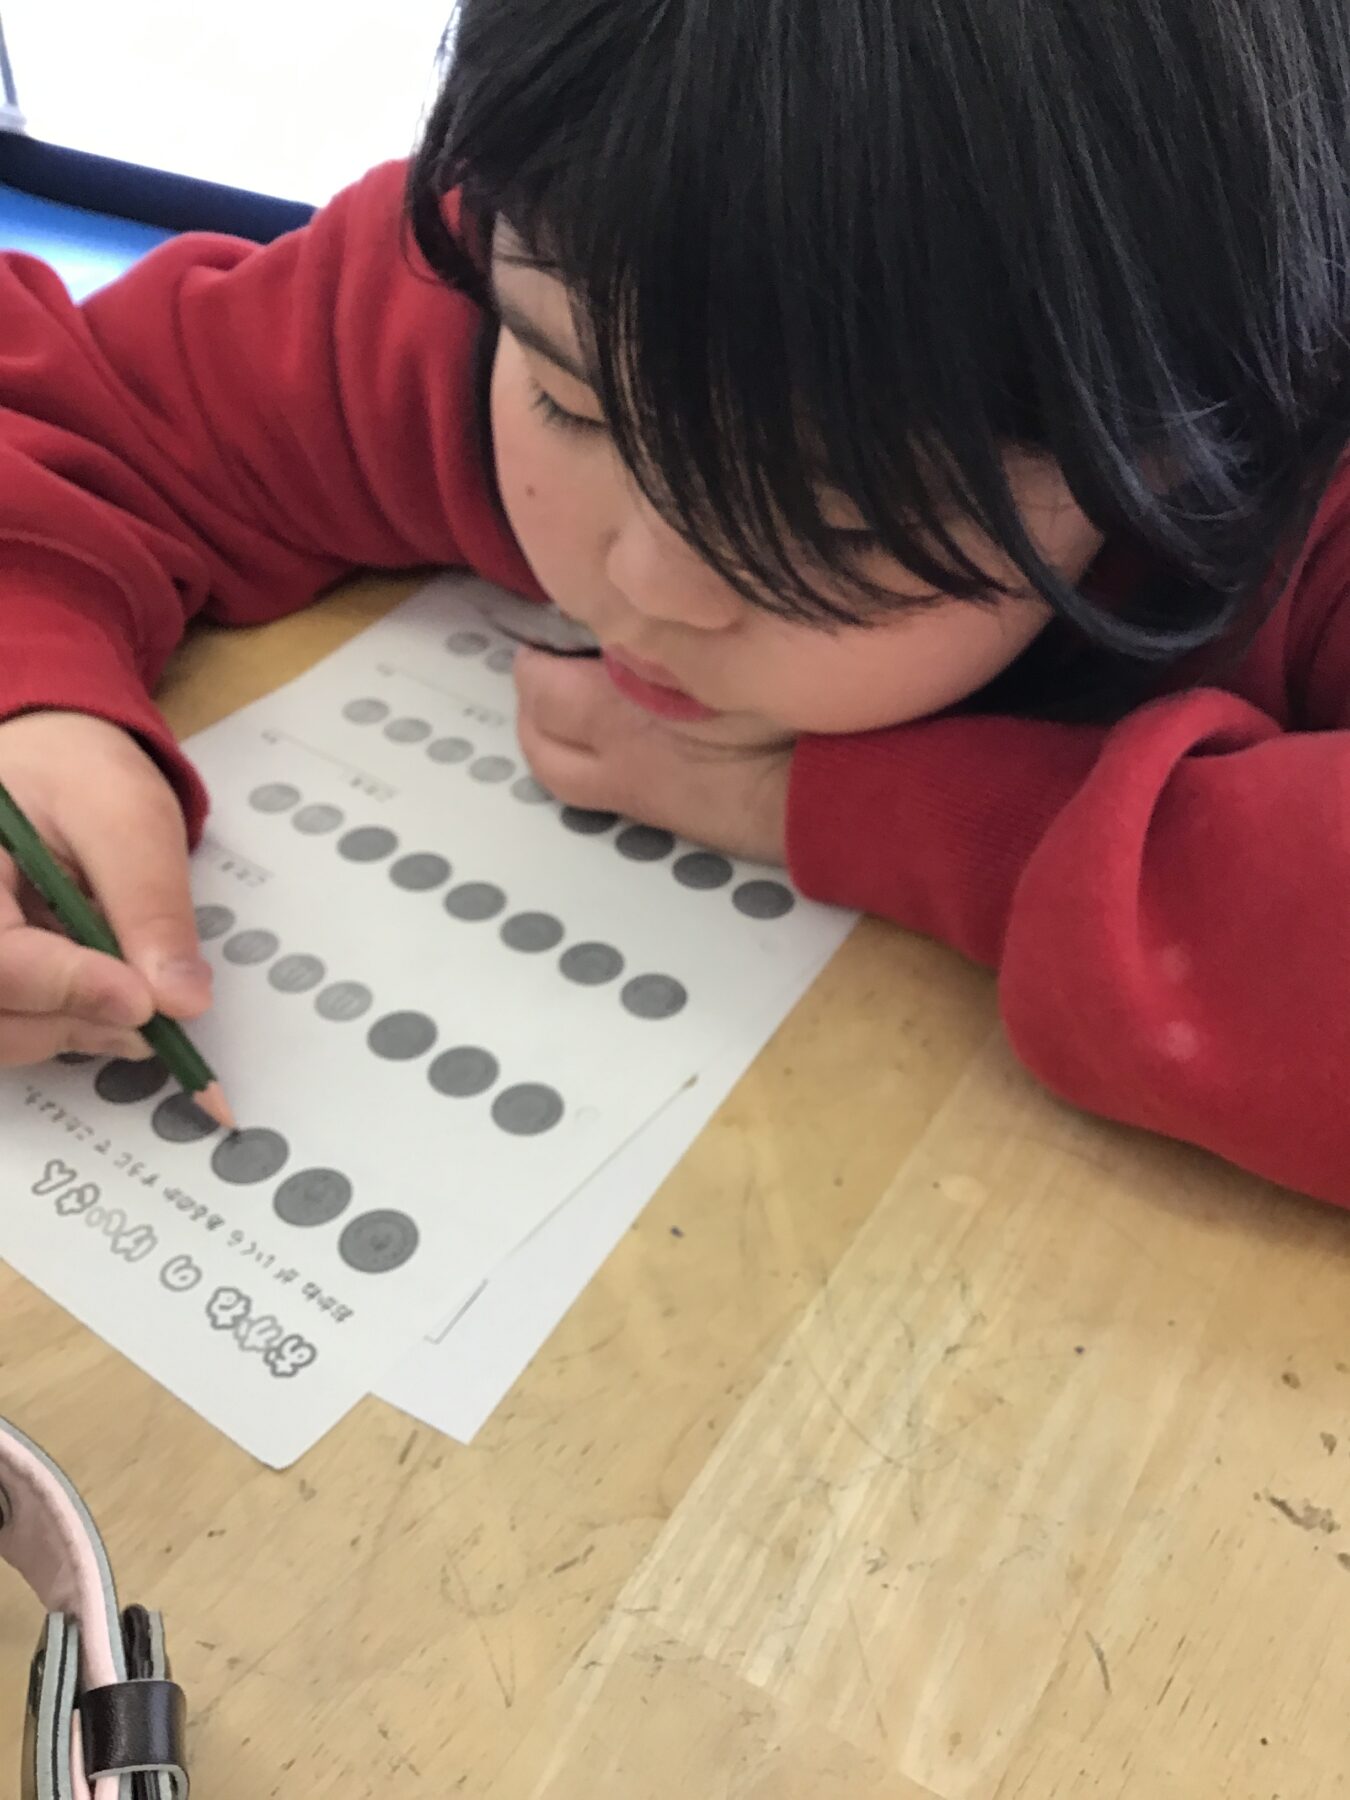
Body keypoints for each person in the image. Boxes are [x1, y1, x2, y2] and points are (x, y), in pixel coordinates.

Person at [0, 0, 1347, 1203]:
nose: (642, 581)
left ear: (1178, 450)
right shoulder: (568, 256)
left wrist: (859, 809)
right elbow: (86, 410)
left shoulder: (1288, 494)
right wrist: (37, 694)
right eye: (567, 405)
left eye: (838, 520)